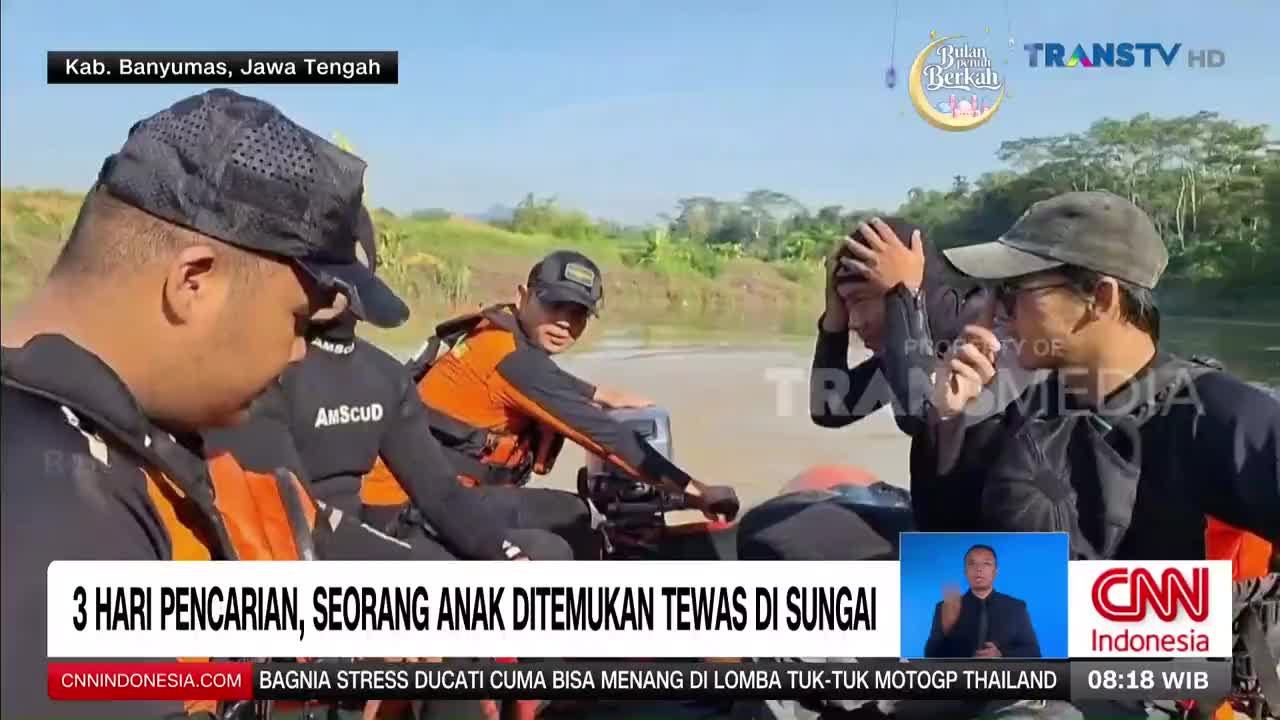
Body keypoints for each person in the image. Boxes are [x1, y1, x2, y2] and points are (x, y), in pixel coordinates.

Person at [0, 89, 409, 718]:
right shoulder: (54, 512)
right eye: (298, 321)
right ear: (195, 282)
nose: (299, 354)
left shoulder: (121, 432)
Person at [926, 190, 1279, 718]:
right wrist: (951, 422)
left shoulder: (1219, 415)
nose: (995, 312)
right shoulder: (1028, 408)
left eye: (1016, 291)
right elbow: (950, 555)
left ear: (1102, 298)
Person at [203, 207, 573, 562]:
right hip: (292, 548)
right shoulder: (267, 371)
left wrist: (504, 555)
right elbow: (293, 518)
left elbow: (441, 494)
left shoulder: (383, 376)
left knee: (548, 553)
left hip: (358, 535)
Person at [368, 249, 740, 558]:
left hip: (420, 494)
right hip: (408, 509)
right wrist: (698, 492)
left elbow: (544, 381)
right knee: (556, 546)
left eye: (577, 313)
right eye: (554, 305)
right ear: (523, 296)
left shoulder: (495, 336)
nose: (564, 322)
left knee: (574, 512)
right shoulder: (514, 362)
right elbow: (607, 438)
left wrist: (596, 393)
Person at [924, 544, 1041, 659]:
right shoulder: (946, 606)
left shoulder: (1016, 607)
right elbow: (930, 653)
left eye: (986, 563)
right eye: (972, 563)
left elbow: (1033, 651)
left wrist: (1001, 654)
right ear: (965, 571)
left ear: (995, 571)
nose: (978, 569)